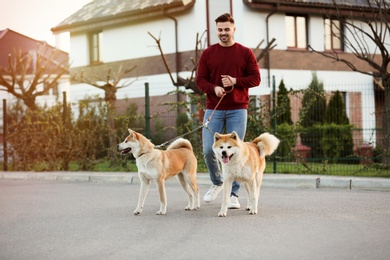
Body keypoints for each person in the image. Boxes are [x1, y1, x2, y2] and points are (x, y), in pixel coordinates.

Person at [196, 13, 261, 208]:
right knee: (209, 149)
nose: (223, 33)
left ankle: (233, 194)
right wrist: (213, 88)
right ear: (217, 30)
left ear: (233, 29)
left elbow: (256, 78)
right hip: (214, 109)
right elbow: (200, 80)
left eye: (227, 29)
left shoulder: (245, 52)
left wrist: (235, 81)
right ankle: (217, 183)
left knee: (236, 153)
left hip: (238, 109)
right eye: (220, 30)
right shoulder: (208, 53)